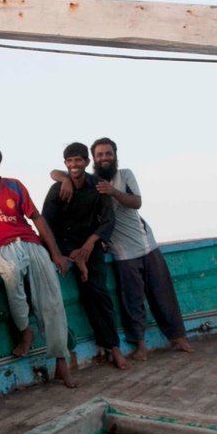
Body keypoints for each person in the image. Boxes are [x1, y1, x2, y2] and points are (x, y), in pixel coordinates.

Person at [51, 137, 191, 361]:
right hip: (122, 252)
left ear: (115, 155)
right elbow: (59, 173)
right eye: (100, 155)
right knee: (132, 301)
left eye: (108, 153)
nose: (104, 158)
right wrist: (63, 178)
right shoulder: (91, 183)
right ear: (93, 160)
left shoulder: (124, 175)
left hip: (146, 243)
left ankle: (178, 336)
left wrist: (113, 192)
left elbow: (136, 202)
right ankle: (141, 346)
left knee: (162, 293)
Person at [0, 140, 78, 388]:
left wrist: (55, 254)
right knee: (12, 275)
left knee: (51, 298)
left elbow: (37, 218)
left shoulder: (14, 186)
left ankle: (61, 362)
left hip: (29, 243)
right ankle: (25, 330)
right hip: (1, 249)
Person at [42, 143, 129, 370]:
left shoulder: (98, 187)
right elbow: (46, 225)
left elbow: (108, 220)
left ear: (86, 162)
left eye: (78, 160)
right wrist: (63, 254)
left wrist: (89, 245)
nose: (74, 165)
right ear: (65, 164)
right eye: (70, 161)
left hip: (90, 245)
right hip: (63, 248)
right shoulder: (57, 189)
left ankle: (114, 349)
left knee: (99, 293)